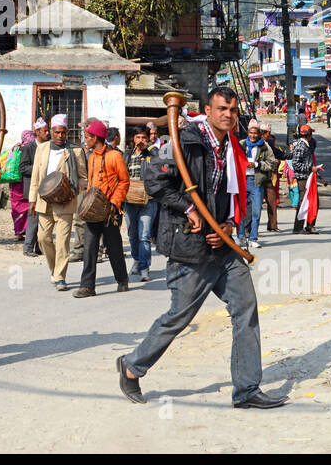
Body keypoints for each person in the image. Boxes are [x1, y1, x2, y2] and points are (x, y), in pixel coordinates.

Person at [117, 87, 285, 410]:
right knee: (178, 317)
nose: (229, 115)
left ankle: (247, 388)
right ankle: (130, 365)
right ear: (207, 110)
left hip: (223, 247)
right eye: (222, 108)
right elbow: (154, 181)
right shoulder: (183, 142)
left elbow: (234, 197)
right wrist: (189, 209)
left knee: (246, 307)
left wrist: (229, 226)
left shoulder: (233, 147)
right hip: (189, 248)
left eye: (233, 110)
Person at [29, 113, 87, 291]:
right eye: (56, 132)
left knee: (62, 242)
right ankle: (54, 269)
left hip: (65, 202)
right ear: (51, 132)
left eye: (63, 132)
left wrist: (72, 190)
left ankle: (60, 276)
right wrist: (32, 200)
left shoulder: (75, 151)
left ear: (67, 132)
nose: (60, 136)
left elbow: (83, 178)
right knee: (43, 238)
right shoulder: (42, 149)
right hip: (44, 201)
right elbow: (36, 177)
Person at [74, 120, 130, 297]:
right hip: (94, 210)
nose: (85, 139)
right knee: (89, 248)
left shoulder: (115, 156)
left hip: (110, 211)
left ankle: (122, 279)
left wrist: (115, 203)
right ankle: (87, 286)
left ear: (96, 137)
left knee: (114, 247)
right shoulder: (91, 157)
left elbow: (124, 181)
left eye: (88, 137)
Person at [124, 127, 159, 281]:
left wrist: (148, 151)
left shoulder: (153, 154)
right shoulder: (127, 155)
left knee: (144, 236)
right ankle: (137, 260)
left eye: (144, 138)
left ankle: (145, 268)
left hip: (148, 200)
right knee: (132, 235)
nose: (140, 141)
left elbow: (159, 168)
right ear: (133, 139)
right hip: (130, 201)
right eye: (138, 137)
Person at [240, 120, 276, 249]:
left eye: (255, 133)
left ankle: (253, 238)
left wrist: (257, 165)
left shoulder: (265, 147)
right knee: (242, 211)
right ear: (248, 133)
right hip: (242, 181)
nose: (253, 136)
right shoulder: (241, 145)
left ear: (259, 134)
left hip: (257, 181)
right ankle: (241, 236)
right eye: (251, 133)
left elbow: (272, 163)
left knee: (256, 211)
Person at [19, 117, 49, 257]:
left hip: (46, 188)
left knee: (42, 218)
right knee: (33, 218)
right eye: (45, 131)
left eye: (48, 130)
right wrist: (39, 169)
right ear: (37, 132)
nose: (48, 133)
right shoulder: (28, 148)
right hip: (32, 188)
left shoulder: (49, 147)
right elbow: (23, 168)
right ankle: (28, 247)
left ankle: (38, 247)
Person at [290, 124, 322, 234]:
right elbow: (296, 164)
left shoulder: (306, 145)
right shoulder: (300, 146)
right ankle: (299, 227)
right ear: (308, 135)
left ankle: (309, 225)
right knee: (304, 203)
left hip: (308, 177)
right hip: (303, 178)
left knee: (313, 202)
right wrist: (310, 168)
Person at [9, 129, 37, 244]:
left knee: (17, 208)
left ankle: (19, 232)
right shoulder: (32, 149)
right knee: (27, 207)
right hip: (26, 182)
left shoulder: (16, 148)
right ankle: (27, 230)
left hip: (15, 184)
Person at [262, 130, 284, 232]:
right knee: (254, 205)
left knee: (272, 201)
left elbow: (281, 155)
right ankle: (250, 230)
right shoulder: (252, 145)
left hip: (269, 178)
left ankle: (272, 225)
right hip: (257, 178)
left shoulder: (270, 147)